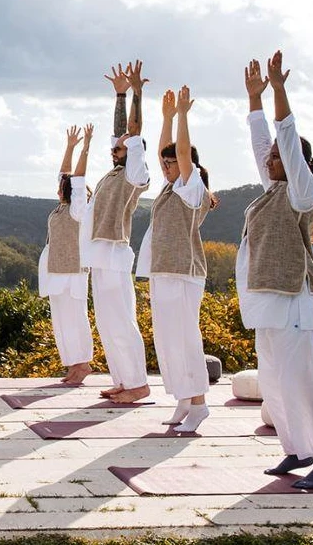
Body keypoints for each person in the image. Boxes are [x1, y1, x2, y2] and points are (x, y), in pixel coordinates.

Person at [238, 51, 313, 489]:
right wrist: (253, 103)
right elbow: (265, 146)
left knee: (305, 377)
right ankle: (296, 448)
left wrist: (279, 92)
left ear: (293, 160)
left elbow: (285, 144)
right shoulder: (275, 188)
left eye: (279, 158)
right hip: (267, 298)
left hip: (296, 297)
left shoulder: (303, 192)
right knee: (275, 377)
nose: (269, 161)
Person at [135, 86, 216, 432]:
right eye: (165, 164)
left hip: (183, 272)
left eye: (172, 164)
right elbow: (165, 150)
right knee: (168, 340)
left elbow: (181, 152)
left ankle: (199, 404)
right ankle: (184, 399)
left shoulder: (191, 185)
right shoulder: (171, 187)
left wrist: (182, 115)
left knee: (184, 338)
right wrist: (166, 118)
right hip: (164, 270)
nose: (166, 167)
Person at [70, 61, 152, 403]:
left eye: (119, 148)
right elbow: (120, 133)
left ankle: (138, 383)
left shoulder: (135, 173)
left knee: (120, 321)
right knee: (107, 323)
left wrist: (134, 93)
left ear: (133, 151)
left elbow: (131, 133)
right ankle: (123, 380)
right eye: (114, 148)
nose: (113, 149)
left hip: (115, 253)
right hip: (99, 255)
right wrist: (118, 94)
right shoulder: (112, 175)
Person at [38, 126, 96, 385]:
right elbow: (64, 174)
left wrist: (85, 148)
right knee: (61, 320)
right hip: (56, 272)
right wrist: (69, 146)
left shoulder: (78, 211)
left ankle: (82, 364)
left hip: (73, 272)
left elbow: (78, 178)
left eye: (62, 188)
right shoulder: (61, 209)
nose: (57, 190)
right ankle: (73, 365)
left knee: (75, 319)